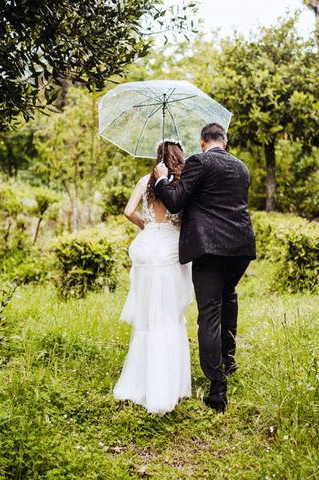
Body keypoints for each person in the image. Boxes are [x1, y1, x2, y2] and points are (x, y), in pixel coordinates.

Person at [153, 123, 256, 412]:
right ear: (225, 141)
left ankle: (217, 389)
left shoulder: (199, 161)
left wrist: (162, 180)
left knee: (209, 313)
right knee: (228, 299)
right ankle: (229, 360)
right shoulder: (241, 167)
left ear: (201, 142)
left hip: (210, 248)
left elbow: (175, 202)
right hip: (241, 248)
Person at [113, 140, 193, 415]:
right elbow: (185, 218)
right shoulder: (180, 183)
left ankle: (140, 382)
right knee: (169, 316)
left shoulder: (146, 181)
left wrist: (146, 225)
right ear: (178, 156)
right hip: (169, 249)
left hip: (146, 249)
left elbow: (127, 211)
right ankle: (167, 385)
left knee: (148, 318)